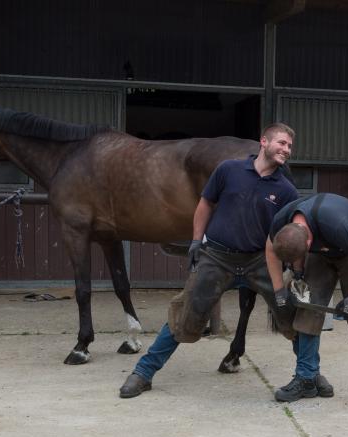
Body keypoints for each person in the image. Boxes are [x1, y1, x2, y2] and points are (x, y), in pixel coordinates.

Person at [118, 123, 299, 398]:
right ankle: (143, 373)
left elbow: (286, 230)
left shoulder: (286, 190)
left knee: (293, 317)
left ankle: (310, 374)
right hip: (217, 257)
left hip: (259, 261)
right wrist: (195, 240)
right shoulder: (229, 170)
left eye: (289, 146)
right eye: (282, 143)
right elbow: (205, 204)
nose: (286, 150)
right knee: (184, 314)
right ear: (264, 141)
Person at [265, 193, 348, 410]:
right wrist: (279, 290)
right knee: (308, 310)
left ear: (309, 242)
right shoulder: (281, 222)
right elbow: (270, 251)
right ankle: (306, 378)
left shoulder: (335, 224)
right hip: (321, 250)